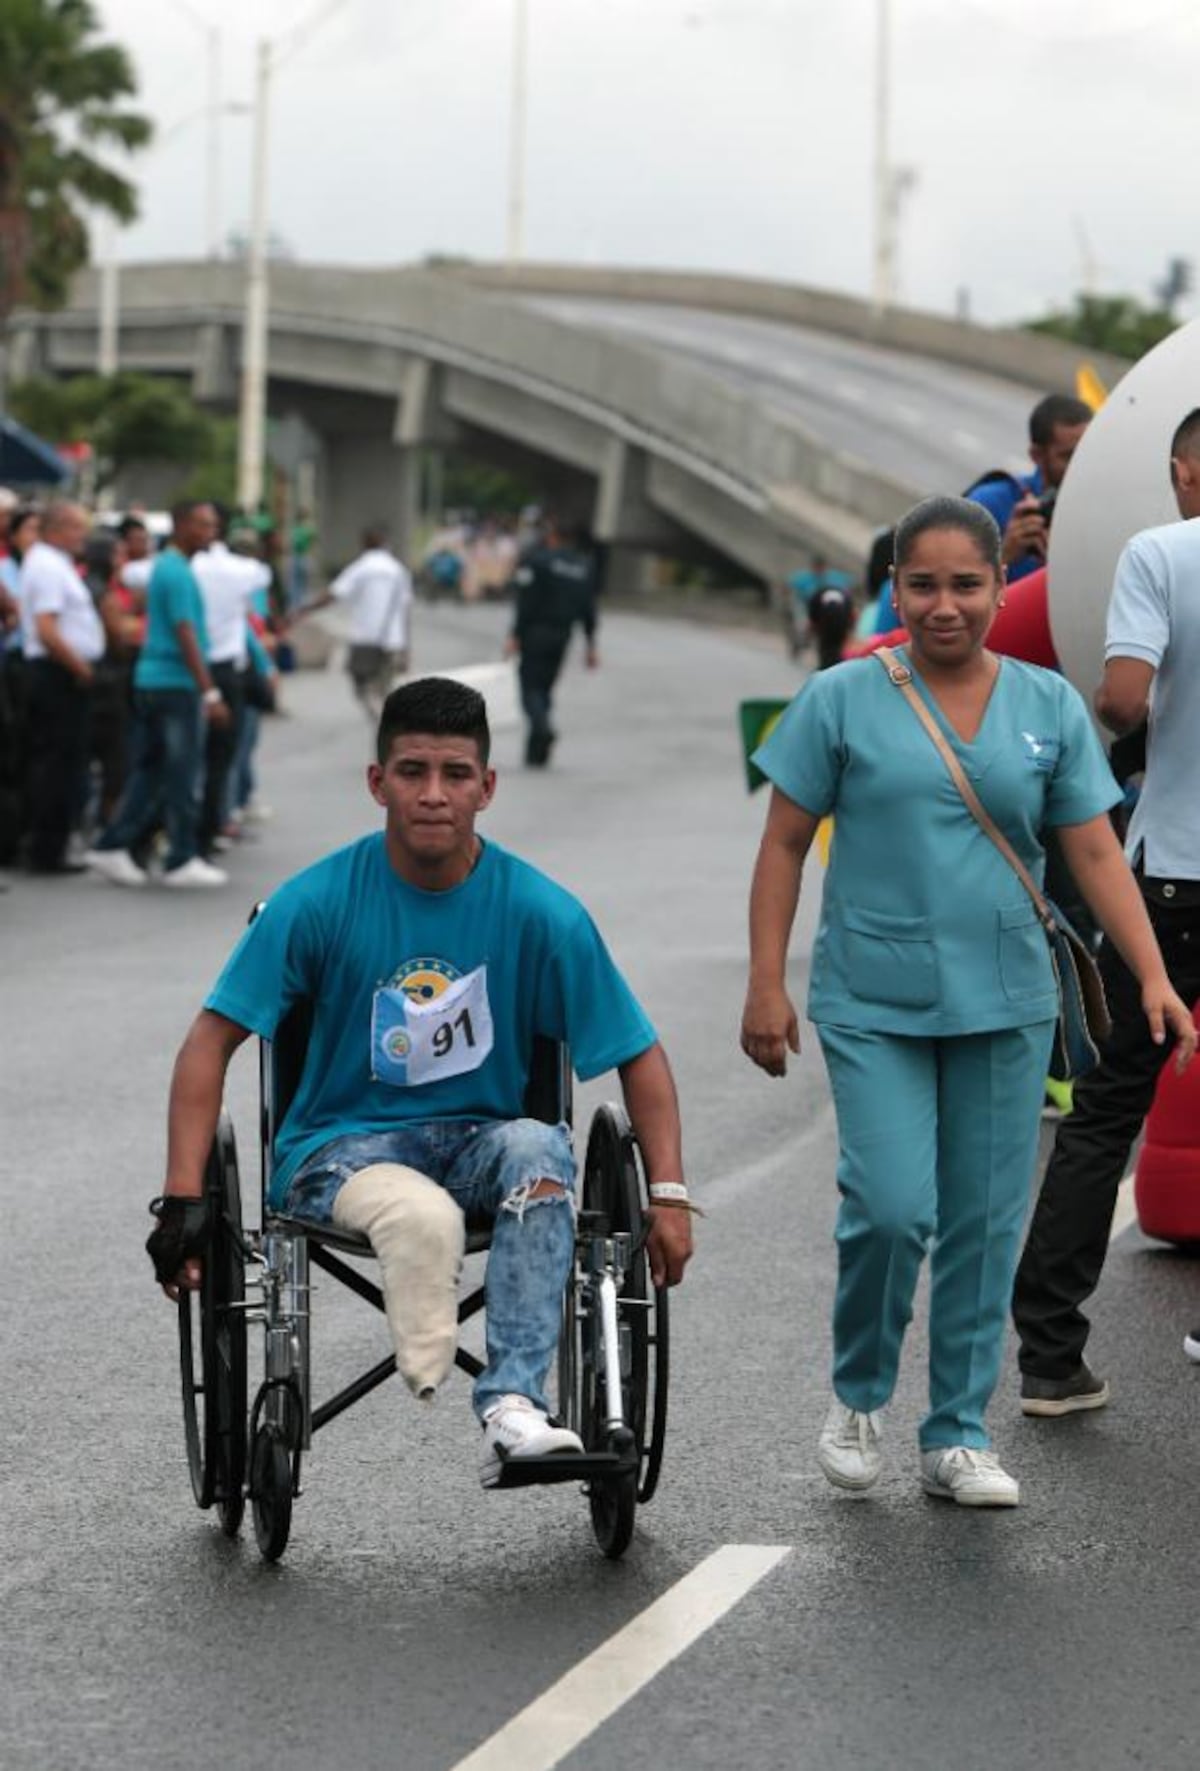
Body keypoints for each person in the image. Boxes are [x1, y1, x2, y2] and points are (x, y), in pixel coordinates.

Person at [740, 495, 1195, 1508]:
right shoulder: (841, 698)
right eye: (922, 584)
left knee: (986, 1225)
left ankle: (956, 1431)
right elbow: (781, 844)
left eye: (966, 584)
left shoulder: (1047, 705)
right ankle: (859, 1393)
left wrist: (1154, 975)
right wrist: (768, 981)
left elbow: (1090, 849)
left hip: (1006, 996)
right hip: (874, 997)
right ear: (895, 588)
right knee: (892, 1210)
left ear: (1000, 587)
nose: (944, 605)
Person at [145, 677, 694, 1483]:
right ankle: (428, 1271)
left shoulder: (542, 913)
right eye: (411, 772)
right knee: (420, 1213)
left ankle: (512, 1408)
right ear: (378, 782)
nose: (433, 794)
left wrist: (671, 1196)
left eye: (454, 774)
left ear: (486, 786)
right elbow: (208, 1042)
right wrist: (185, 1199)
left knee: (541, 1145)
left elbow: (639, 1054)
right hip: (339, 1149)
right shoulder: (318, 900)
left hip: (482, 1147)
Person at [1013, 408, 1200, 1407]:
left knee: (1110, 1105)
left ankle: (1050, 1354)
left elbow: (1122, 700)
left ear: (1183, 471)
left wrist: (1134, 716)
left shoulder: (1160, 553)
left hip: (1171, 873)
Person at [85, 500, 231, 890]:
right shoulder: (177, 571)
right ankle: (180, 856)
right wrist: (210, 691)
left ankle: (112, 845)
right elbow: (186, 632)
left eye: (213, 526)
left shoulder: (166, 567)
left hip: (152, 680)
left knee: (149, 771)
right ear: (181, 525)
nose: (210, 533)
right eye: (202, 525)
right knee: (183, 773)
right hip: (174, 683)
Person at [19, 501, 104, 874]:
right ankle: (47, 848)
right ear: (55, 529)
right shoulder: (48, 566)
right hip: (56, 674)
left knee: (67, 760)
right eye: (75, 528)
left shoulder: (53, 562)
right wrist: (79, 667)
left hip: (61, 671)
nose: (81, 536)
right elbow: (46, 628)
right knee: (57, 762)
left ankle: (53, 842)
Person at [191, 512, 273, 859]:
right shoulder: (243, 575)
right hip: (224, 671)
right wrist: (266, 665)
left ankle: (211, 822)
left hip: (203, 671)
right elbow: (250, 629)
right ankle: (214, 823)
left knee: (206, 756)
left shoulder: (186, 569)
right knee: (224, 754)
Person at [967, 392, 1093, 583]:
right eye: (1069, 457)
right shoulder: (988, 504)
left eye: (1088, 452)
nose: (1081, 466)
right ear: (1037, 455)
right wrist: (1004, 556)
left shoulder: (1103, 506)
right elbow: (949, 596)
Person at [294, 524, 413, 722]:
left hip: (365, 639)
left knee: (362, 688)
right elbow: (405, 611)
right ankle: (386, 732)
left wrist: (305, 609)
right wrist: (407, 649)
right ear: (385, 543)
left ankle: (384, 725)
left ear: (364, 544)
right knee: (384, 690)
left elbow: (333, 594)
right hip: (393, 641)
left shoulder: (362, 567)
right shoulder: (398, 570)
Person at [505, 516, 598, 767]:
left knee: (529, 690)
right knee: (545, 687)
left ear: (553, 536)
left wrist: (515, 634)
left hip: (535, 633)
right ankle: (537, 751)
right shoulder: (584, 567)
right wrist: (591, 645)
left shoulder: (539, 562)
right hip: (562, 636)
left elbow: (526, 601)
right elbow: (589, 609)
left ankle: (542, 728)